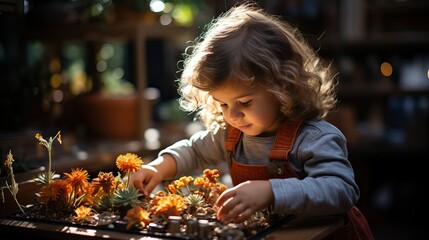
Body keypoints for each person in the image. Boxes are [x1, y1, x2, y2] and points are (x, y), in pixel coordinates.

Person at [131, 2, 374, 239]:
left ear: (282, 87)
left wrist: (271, 192)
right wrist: (159, 167)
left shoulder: (313, 138)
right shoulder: (232, 135)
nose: (233, 115)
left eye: (245, 102)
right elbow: (193, 151)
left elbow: (342, 190)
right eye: (223, 104)